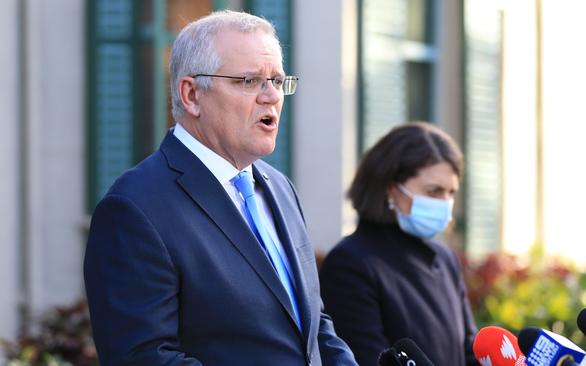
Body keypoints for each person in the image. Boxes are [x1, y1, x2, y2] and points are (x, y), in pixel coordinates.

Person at [83, 10, 358, 366]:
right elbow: (143, 357)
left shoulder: (280, 188)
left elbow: (313, 327)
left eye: (277, 80)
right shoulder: (134, 207)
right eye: (249, 80)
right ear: (192, 94)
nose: (271, 96)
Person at [319, 122, 480, 366]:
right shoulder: (350, 263)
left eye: (450, 193)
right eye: (434, 191)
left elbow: (469, 353)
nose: (444, 203)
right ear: (391, 190)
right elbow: (366, 359)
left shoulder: (445, 260)